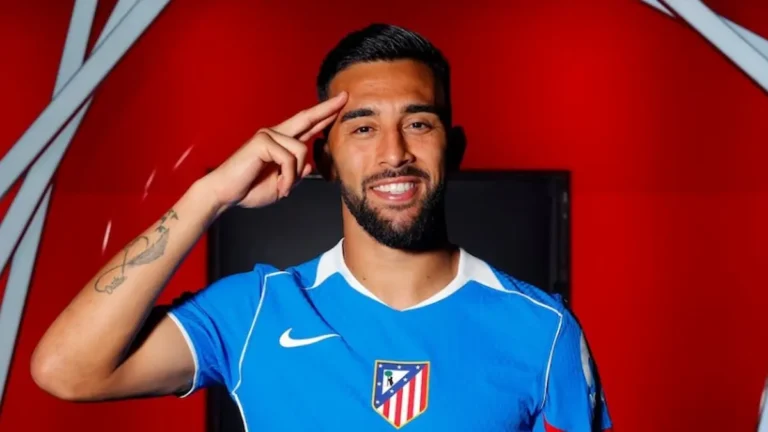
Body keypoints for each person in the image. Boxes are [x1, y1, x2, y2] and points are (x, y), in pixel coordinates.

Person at [31, 23, 613, 431]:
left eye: (418, 122)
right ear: (326, 159)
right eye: (362, 128)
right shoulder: (255, 312)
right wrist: (208, 197)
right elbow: (67, 370)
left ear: (453, 149)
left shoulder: (544, 330)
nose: (393, 154)